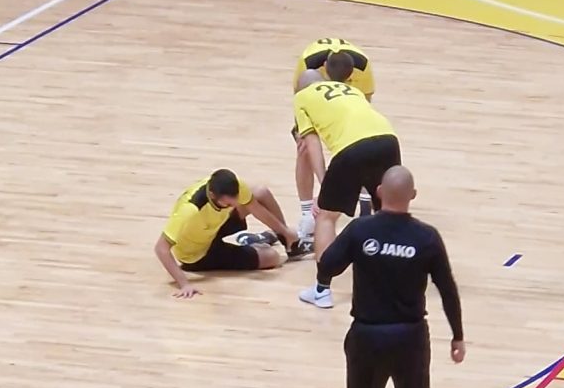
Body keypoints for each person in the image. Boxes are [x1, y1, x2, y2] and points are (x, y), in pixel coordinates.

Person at [310, 163, 466, 388]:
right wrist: (457, 335)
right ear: (413, 196)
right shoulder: (426, 237)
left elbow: (327, 265)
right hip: (409, 337)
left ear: (379, 192)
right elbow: (447, 288)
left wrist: (328, 234)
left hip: (367, 334)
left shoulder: (361, 230)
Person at [293, 51, 402, 295]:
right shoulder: (352, 91)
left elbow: (312, 145)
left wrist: (325, 186)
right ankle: (391, 282)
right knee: (388, 214)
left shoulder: (302, 98)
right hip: (388, 140)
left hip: (352, 148)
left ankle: (322, 289)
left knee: (326, 217)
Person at [155, 170, 302, 298]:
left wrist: (284, 231)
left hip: (215, 226)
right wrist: (184, 284)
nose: (235, 205)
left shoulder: (234, 187)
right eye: (229, 204)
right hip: (198, 253)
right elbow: (161, 248)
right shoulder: (190, 210)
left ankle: (289, 243)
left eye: (235, 201)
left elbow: (256, 209)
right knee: (272, 257)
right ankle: (255, 242)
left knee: (261, 193)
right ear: (212, 195)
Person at [292, 36, 376, 242]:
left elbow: (363, 111)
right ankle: (307, 213)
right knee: (304, 145)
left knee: (362, 137)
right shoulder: (308, 68)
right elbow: (300, 104)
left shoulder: (363, 70)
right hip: (312, 89)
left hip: (347, 101)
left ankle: (365, 201)